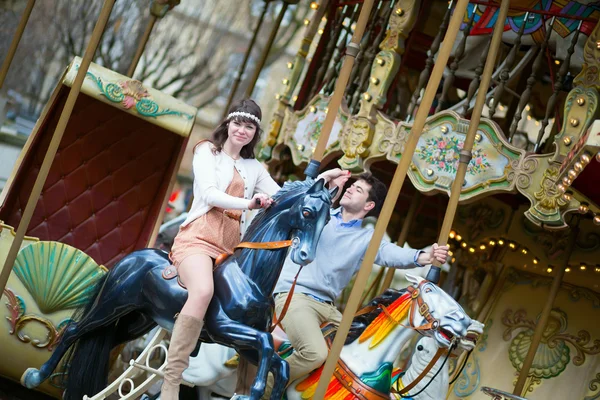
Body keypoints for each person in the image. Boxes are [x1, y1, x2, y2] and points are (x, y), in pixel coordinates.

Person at [261, 172, 449, 395]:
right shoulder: (321, 214)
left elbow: (392, 254)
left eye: (358, 189)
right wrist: (325, 181)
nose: (350, 189)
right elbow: (299, 200)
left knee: (358, 354)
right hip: (295, 294)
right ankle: (263, 389)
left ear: (368, 205)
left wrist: (425, 257)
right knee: (315, 353)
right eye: (352, 185)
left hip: (327, 306)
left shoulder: (366, 238)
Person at [161, 99, 280, 400]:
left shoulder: (254, 167)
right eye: (238, 123)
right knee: (202, 291)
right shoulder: (206, 152)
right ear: (227, 124)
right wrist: (250, 204)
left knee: (257, 307)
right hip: (199, 238)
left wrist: (320, 182)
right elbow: (211, 195)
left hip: (230, 247)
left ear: (255, 133)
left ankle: (245, 390)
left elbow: (282, 195)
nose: (242, 130)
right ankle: (171, 381)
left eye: (249, 126)